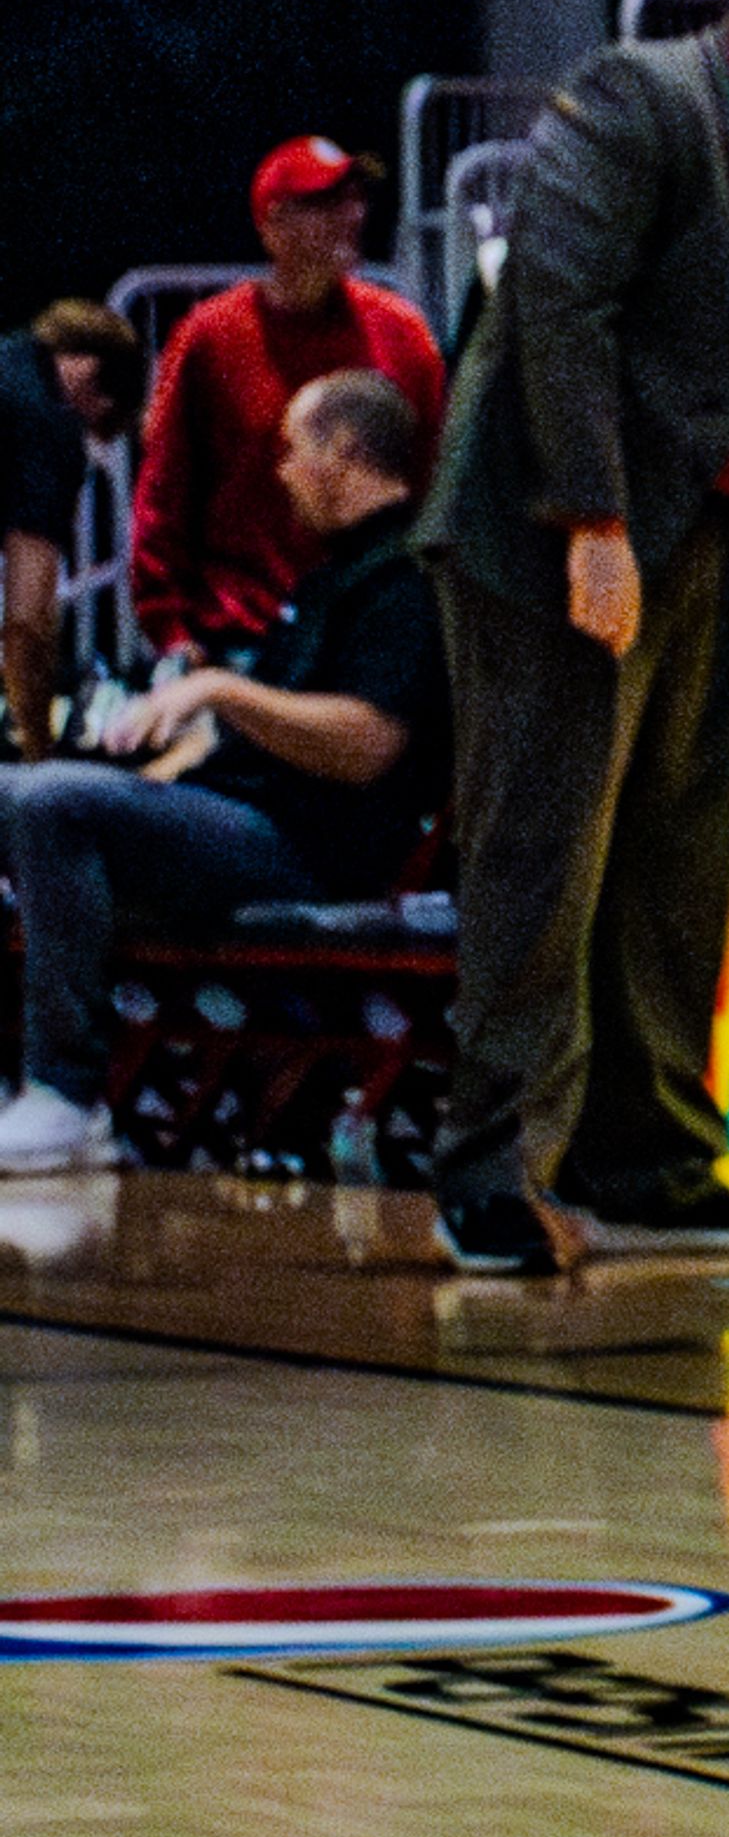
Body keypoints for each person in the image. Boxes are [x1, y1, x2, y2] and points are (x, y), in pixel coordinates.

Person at [416, 0, 729, 1270]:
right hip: (559, 542)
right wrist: (595, 518)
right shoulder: (639, 95)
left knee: (678, 867)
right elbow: (557, 304)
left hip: (713, 550)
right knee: (545, 854)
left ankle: (652, 1153)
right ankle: (492, 1172)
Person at [0, 370, 447, 1174]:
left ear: (343, 451)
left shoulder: (407, 579)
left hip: (312, 852)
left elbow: (369, 744)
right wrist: (153, 778)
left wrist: (222, 688)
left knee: (47, 800)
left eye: (291, 449)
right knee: (27, 801)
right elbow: (236, 743)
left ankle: (66, 1094)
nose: (280, 471)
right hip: (242, 821)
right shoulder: (323, 579)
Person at [130, 138, 446, 665]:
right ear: (272, 225)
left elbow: (434, 478)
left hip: (369, 627)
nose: (353, 215)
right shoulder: (210, 337)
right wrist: (173, 635)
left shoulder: (402, 333)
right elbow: (164, 493)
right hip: (244, 635)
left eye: (355, 199)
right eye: (326, 203)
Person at [0, 299, 143, 762]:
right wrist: (39, 748)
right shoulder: (49, 422)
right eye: (100, 416)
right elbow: (26, 620)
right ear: (89, 371)